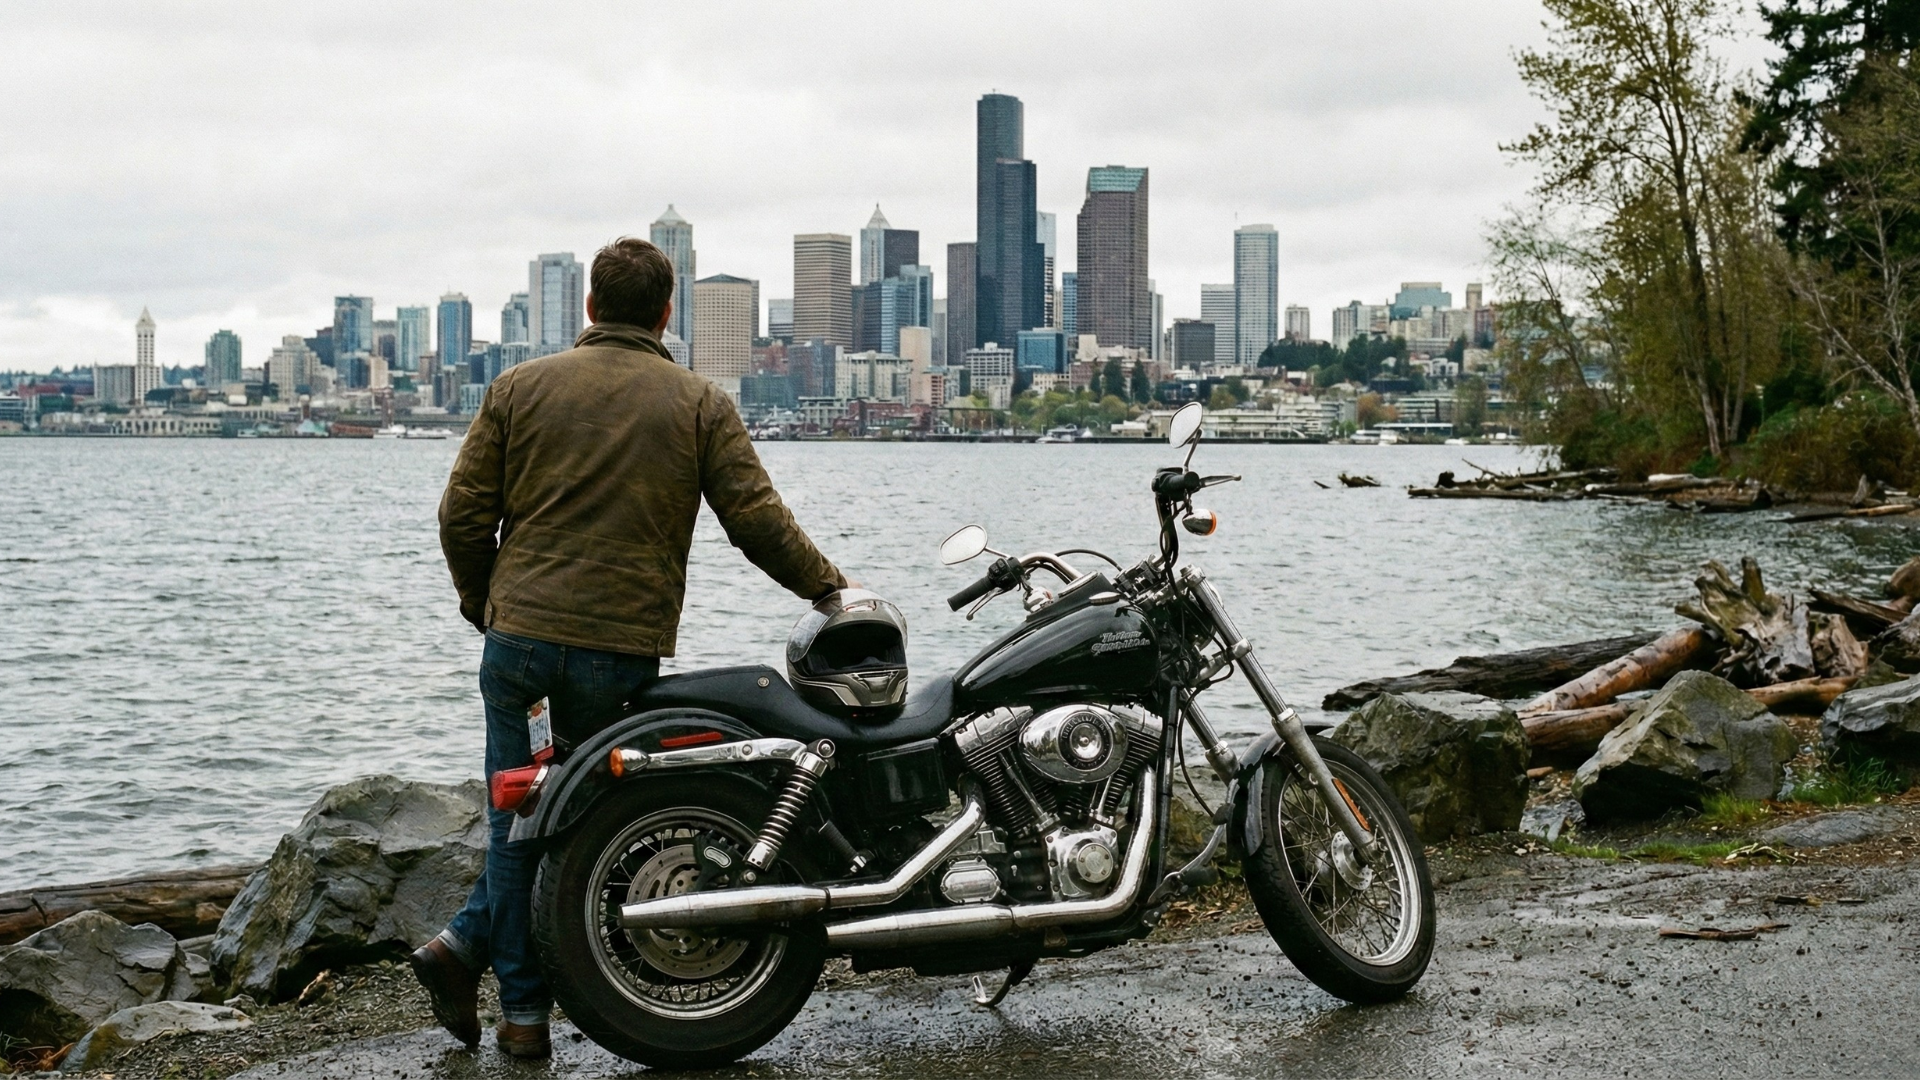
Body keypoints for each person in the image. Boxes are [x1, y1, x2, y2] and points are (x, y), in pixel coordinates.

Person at [413, 237, 848, 1058]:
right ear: (665, 312)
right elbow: (756, 521)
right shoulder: (697, 402)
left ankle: (506, 994)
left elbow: (460, 515)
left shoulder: (518, 387)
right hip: (614, 653)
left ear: (590, 305)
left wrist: (485, 604)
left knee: (520, 818)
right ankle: (495, 985)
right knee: (570, 820)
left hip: (520, 646)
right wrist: (832, 590)